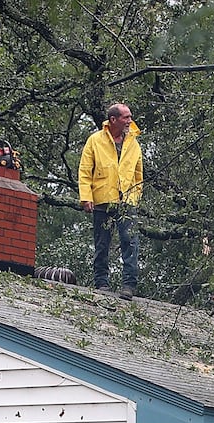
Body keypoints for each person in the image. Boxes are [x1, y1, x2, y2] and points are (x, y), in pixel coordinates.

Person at [78, 102, 143, 299]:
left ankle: (129, 286)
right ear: (113, 119)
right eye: (125, 117)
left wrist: (135, 196)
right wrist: (86, 197)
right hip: (103, 199)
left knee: (130, 242)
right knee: (102, 243)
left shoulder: (133, 142)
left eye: (130, 117)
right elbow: (84, 170)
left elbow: (138, 175)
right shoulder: (95, 140)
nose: (129, 121)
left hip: (126, 202)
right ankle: (101, 283)